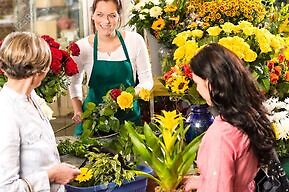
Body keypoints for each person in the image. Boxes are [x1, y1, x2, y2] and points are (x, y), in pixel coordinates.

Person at [182, 43, 275, 192]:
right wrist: (204, 181)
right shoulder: (246, 118)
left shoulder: (221, 136)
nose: (197, 89)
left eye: (197, 83)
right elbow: (236, 177)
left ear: (209, 84)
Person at [0, 32, 80, 191]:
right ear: (39, 73)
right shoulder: (6, 114)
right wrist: (52, 175)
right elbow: (6, 188)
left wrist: (57, 167)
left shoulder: (31, 97)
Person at [68, 0, 153, 135]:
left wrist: (128, 96)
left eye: (112, 15)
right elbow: (73, 84)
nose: (106, 21)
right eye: (100, 14)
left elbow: (147, 81)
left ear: (119, 16)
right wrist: (78, 110)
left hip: (128, 121)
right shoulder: (82, 47)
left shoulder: (135, 41)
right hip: (92, 122)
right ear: (93, 15)